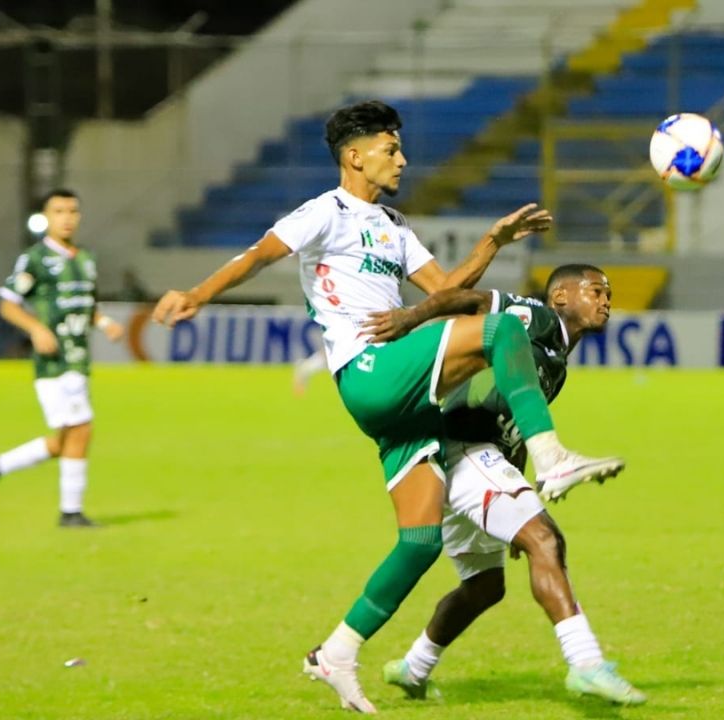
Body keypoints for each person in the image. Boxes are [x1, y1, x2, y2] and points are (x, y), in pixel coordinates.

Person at [151, 100, 624, 713]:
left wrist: (492, 240)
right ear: (355, 156)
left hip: (409, 406)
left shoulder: (395, 226)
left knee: (421, 542)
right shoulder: (326, 211)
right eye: (390, 149)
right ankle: (552, 457)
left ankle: (336, 653)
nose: (402, 158)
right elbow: (259, 255)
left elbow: (447, 293)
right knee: (503, 329)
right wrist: (198, 293)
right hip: (369, 368)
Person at [364, 265, 646, 706]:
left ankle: (412, 668)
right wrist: (411, 316)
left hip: (471, 460)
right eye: (595, 292)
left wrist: (517, 497)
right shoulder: (540, 320)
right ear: (561, 298)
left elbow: (512, 427)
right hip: (462, 450)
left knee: (485, 586)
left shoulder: (558, 364)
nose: (605, 301)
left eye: (608, 294)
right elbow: (471, 299)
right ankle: (586, 664)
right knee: (546, 540)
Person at [0, 189, 124, 528]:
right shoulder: (36, 259)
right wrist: (36, 330)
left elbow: (84, 305)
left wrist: (102, 322)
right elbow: (8, 305)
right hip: (54, 363)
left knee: (65, 439)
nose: (67, 217)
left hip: (79, 358)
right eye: (59, 211)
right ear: (47, 217)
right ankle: (70, 512)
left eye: (72, 211)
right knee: (81, 430)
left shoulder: (85, 258)